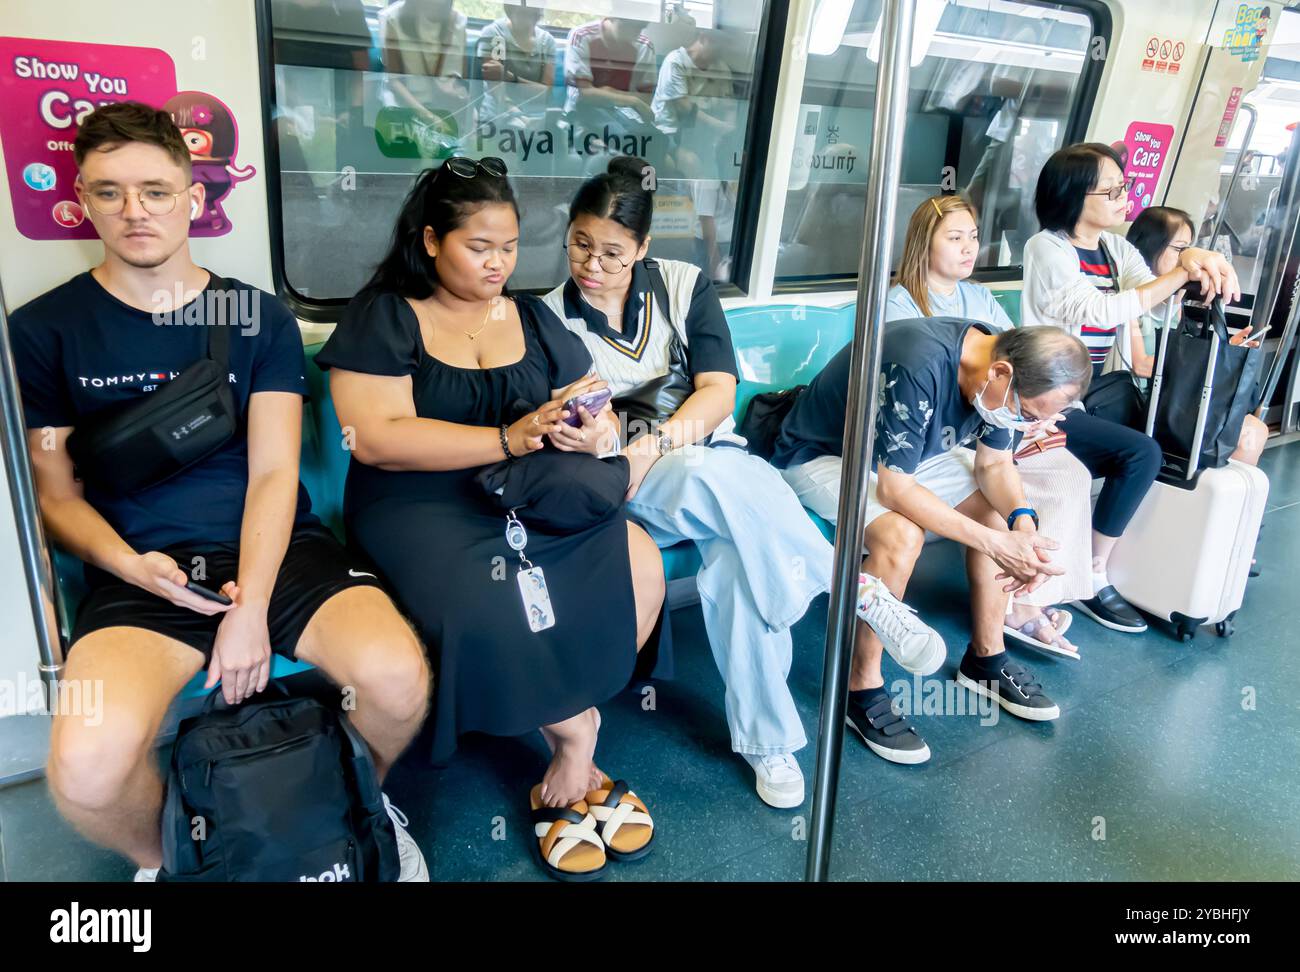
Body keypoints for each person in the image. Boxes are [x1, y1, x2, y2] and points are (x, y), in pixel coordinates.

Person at [10, 103, 431, 882]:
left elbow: (275, 471)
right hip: (139, 572)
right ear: (81, 196)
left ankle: (356, 805)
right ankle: (177, 855)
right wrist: (133, 567)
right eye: (110, 192)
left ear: (193, 198)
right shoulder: (43, 331)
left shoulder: (251, 316)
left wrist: (250, 610)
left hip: (275, 552)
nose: (134, 212)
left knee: (397, 679)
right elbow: (56, 493)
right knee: (86, 771)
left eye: (156, 191)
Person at [542, 157, 947, 787]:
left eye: (613, 253)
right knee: (714, 481)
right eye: (581, 245)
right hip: (631, 477)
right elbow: (589, 418)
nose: (593, 266)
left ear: (644, 248)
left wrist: (655, 441)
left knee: (736, 560)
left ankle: (767, 742)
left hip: (704, 455)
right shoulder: (549, 316)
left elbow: (717, 392)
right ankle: (853, 589)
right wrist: (625, 445)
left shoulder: (684, 285)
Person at [315, 157, 664, 880]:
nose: (498, 263)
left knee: (636, 557)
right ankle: (576, 743)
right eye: (480, 247)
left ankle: (566, 726)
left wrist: (590, 432)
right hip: (418, 504)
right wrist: (508, 436)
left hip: (525, 488)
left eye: (509, 247)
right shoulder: (384, 316)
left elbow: (590, 401)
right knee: (490, 595)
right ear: (433, 239)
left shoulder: (531, 315)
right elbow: (375, 437)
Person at [775, 322, 1096, 758]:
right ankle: (859, 685)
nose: (1028, 425)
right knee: (900, 536)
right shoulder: (919, 363)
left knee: (995, 515)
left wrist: (1023, 525)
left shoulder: (1000, 373)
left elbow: (995, 466)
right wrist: (995, 545)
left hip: (906, 459)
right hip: (826, 454)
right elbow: (895, 491)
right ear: (1000, 373)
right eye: (1029, 415)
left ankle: (986, 658)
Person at [1022, 142, 1242, 634]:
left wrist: (1194, 266)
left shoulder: (1116, 249)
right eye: (1114, 189)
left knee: (1183, 442)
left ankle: (1187, 556)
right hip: (1048, 403)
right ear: (1076, 196)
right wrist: (1183, 269)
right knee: (1141, 452)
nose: (1127, 197)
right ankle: (1092, 575)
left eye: (1127, 187)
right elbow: (1099, 311)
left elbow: (1155, 305)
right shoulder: (1047, 249)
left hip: (1096, 392)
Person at [886, 194, 1091, 657]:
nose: (967, 248)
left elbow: (998, 437)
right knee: (908, 532)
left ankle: (994, 644)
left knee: (1024, 499)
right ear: (924, 244)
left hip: (956, 427)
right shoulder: (906, 323)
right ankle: (1019, 608)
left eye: (973, 238)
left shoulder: (983, 312)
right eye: (954, 238)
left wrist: (1021, 521)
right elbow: (896, 480)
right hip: (908, 435)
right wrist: (998, 543)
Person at [1127, 205, 1268, 465]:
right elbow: (1142, 364)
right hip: (1143, 400)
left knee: (1254, 429)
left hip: (1173, 396)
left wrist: (1221, 350)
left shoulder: (1176, 299)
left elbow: (1178, 356)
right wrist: (1202, 361)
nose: (1187, 258)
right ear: (1151, 246)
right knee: (1247, 433)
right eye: (1180, 249)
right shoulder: (1132, 299)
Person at [563, 16, 660, 163]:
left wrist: (610, 92)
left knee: (656, 148)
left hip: (626, 116)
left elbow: (646, 98)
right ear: (615, 18)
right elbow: (586, 94)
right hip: (584, 113)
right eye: (633, 26)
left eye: (641, 26)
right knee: (608, 156)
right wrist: (633, 100)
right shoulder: (582, 36)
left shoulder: (644, 46)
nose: (637, 32)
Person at [378, 0, 470, 141]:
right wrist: (428, 116)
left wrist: (457, 91)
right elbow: (394, 80)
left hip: (447, 105)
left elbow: (462, 77)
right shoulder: (392, 19)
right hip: (408, 106)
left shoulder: (458, 21)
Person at [475, 1, 557, 128]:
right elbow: (495, 87)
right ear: (510, 11)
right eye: (524, 13)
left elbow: (545, 93)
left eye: (534, 14)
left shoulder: (547, 42)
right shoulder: (495, 34)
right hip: (497, 116)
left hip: (537, 117)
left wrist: (509, 77)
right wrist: (515, 114)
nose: (530, 20)